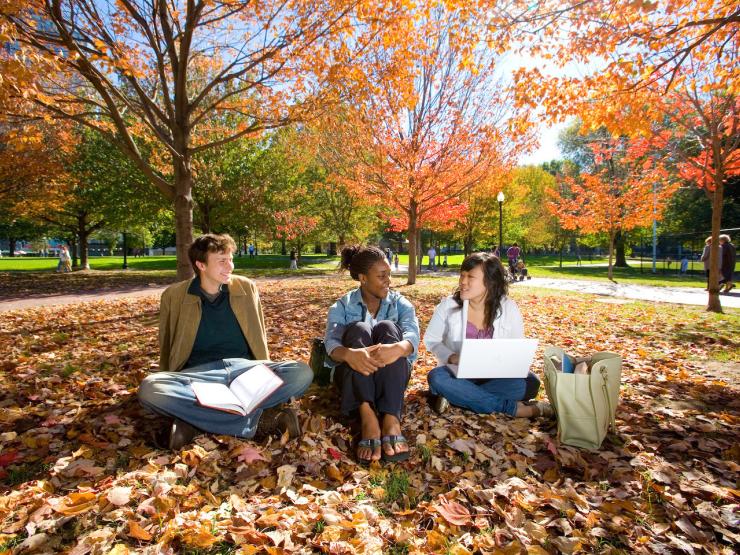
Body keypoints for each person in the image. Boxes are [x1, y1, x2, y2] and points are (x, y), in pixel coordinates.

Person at [138, 234, 313, 450]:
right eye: (222, 261)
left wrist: (264, 370)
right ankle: (257, 422)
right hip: (198, 376)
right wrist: (168, 375)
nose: (230, 266)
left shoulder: (245, 288)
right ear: (201, 264)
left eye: (231, 259)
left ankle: (194, 424)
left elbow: (258, 333)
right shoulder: (174, 296)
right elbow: (167, 342)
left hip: (246, 372)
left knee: (301, 372)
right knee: (150, 389)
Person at [424, 252, 551, 419]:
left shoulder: (509, 308)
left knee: (531, 382)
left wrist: (507, 363)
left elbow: (515, 350)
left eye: (470, 277)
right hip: (457, 374)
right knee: (437, 378)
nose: (463, 281)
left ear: (490, 282)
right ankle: (513, 409)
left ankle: (455, 397)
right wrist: (452, 357)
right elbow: (432, 340)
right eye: (462, 275)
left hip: (495, 376)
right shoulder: (448, 306)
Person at [324, 245, 420, 464]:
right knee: (358, 329)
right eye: (382, 276)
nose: (389, 280)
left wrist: (397, 348)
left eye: (389, 275)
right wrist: (349, 354)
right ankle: (368, 417)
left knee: (388, 327)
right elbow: (331, 344)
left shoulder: (400, 303)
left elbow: (412, 336)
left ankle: (391, 419)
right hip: (354, 378)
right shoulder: (342, 306)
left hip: (391, 377)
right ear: (363, 278)